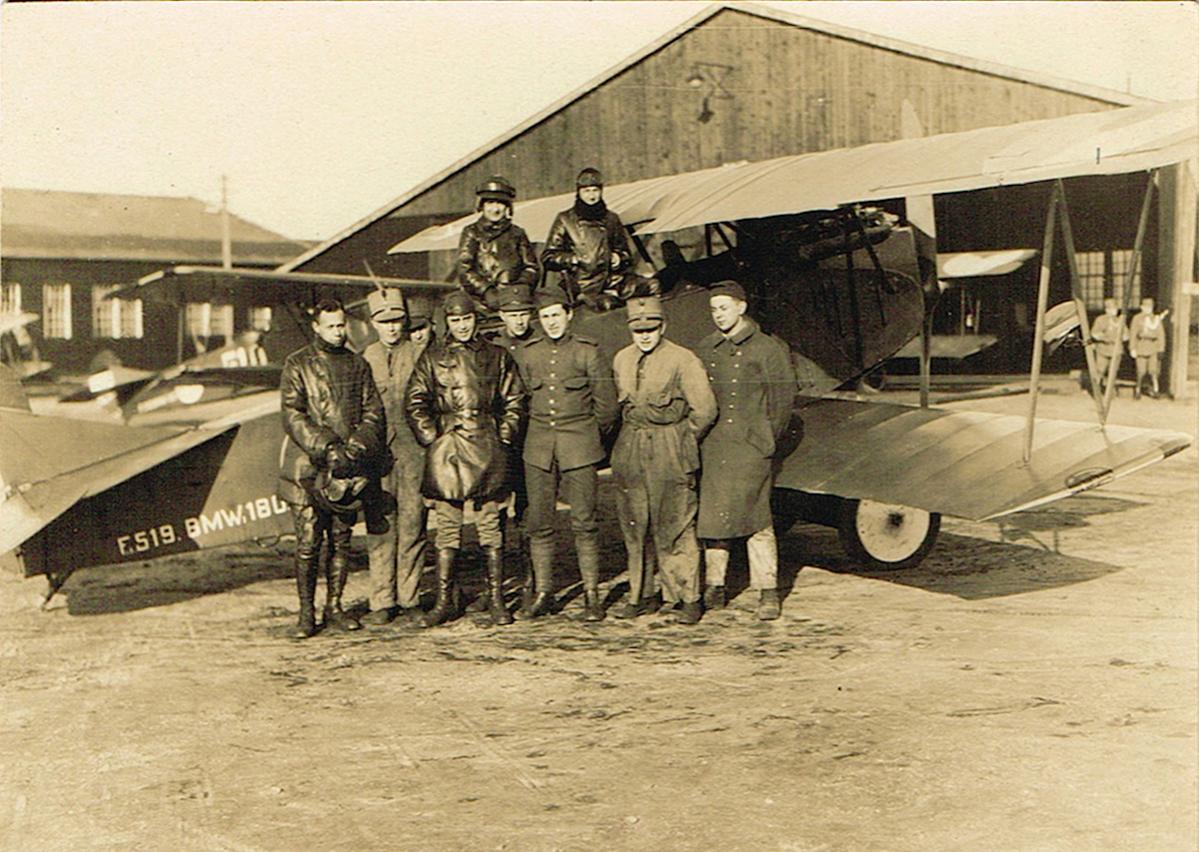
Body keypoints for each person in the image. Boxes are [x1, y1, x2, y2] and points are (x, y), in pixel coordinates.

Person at [405, 290, 525, 627]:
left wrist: (502, 437)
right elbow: (415, 401)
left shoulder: (498, 356)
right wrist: (434, 437)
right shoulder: (431, 358)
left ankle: (497, 599)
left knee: (490, 526)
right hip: (449, 451)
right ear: (447, 322)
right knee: (447, 528)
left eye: (467, 319)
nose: (461, 326)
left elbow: (515, 399)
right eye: (455, 320)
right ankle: (446, 600)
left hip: (488, 447)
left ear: (476, 319)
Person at [278, 298, 385, 638]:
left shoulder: (358, 365)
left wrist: (354, 448)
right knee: (309, 543)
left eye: (342, 325)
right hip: (309, 470)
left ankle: (334, 606)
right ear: (316, 327)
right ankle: (306, 613)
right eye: (331, 327)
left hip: (348, 470)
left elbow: (373, 412)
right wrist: (327, 446)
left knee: (341, 542)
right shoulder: (297, 365)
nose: (338, 332)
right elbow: (293, 414)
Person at [611, 296, 717, 624]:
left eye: (651, 328)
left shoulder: (683, 360)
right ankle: (641, 594)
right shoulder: (621, 359)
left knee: (676, 523)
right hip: (631, 445)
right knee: (635, 524)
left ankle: (687, 597)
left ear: (663, 326)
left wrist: (682, 440)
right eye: (637, 329)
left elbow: (705, 409)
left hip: (670, 444)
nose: (644, 335)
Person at [696, 281, 798, 621]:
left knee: (757, 519)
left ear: (742, 307)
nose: (718, 315)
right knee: (713, 518)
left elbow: (781, 403)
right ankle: (715, 585)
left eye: (724, 307)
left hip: (750, 448)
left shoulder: (767, 349)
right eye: (713, 309)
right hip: (714, 447)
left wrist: (766, 440)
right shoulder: (707, 348)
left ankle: (767, 591)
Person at [518, 285, 619, 621]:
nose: (551, 323)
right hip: (538, 447)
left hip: (580, 444)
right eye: (545, 317)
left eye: (556, 315)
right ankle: (545, 592)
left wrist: (589, 438)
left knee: (585, 522)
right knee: (539, 522)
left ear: (569, 315)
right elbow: (521, 402)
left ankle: (591, 595)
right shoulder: (529, 353)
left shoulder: (588, 351)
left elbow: (607, 407)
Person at [361, 288, 431, 626]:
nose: (391, 328)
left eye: (397, 321)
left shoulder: (420, 355)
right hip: (378, 455)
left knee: (413, 523)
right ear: (372, 323)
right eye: (384, 321)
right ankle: (381, 600)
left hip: (413, 451)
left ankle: (410, 597)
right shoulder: (366, 358)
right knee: (380, 525)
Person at [485, 285, 540, 610]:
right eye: (512, 315)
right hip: (503, 443)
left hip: (531, 440)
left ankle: (529, 582)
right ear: (502, 316)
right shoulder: (494, 349)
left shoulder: (538, 344)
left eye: (523, 314)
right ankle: (497, 589)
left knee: (527, 513)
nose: (519, 321)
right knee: (494, 514)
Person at [541, 167, 633, 311]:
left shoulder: (611, 219)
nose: (591, 196)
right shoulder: (565, 219)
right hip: (581, 285)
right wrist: (575, 259)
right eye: (586, 191)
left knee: (650, 286)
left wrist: (619, 258)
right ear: (578, 192)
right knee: (605, 304)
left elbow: (626, 252)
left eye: (595, 190)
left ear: (601, 191)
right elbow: (548, 257)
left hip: (612, 281)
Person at [457, 176, 539, 311]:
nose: (495, 209)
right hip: (482, 303)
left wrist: (521, 287)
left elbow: (531, 267)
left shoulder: (517, 233)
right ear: (481, 206)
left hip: (514, 301)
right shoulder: (471, 232)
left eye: (500, 203)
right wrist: (486, 290)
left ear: (507, 207)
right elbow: (464, 268)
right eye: (490, 203)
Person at [1129, 297, 1167, 399]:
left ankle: (1155, 390)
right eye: (1145, 307)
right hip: (1141, 346)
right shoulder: (1137, 318)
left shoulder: (1156, 319)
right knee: (1141, 371)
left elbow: (1161, 335)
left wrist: (1161, 348)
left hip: (1153, 347)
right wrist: (1132, 348)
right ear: (1141, 307)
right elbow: (1133, 334)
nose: (1147, 309)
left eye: (1149, 307)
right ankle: (1138, 390)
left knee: (1153, 371)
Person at [1090, 297, 1126, 394]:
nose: (1113, 311)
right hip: (1103, 349)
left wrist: (1120, 337)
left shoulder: (1120, 320)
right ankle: (1097, 389)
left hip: (1116, 350)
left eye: (1114, 308)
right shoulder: (1100, 320)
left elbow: (1126, 335)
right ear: (1106, 310)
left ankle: (1110, 390)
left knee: (1113, 371)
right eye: (1110, 309)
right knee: (1100, 370)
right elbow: (1094, 333)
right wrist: (1105, 337)